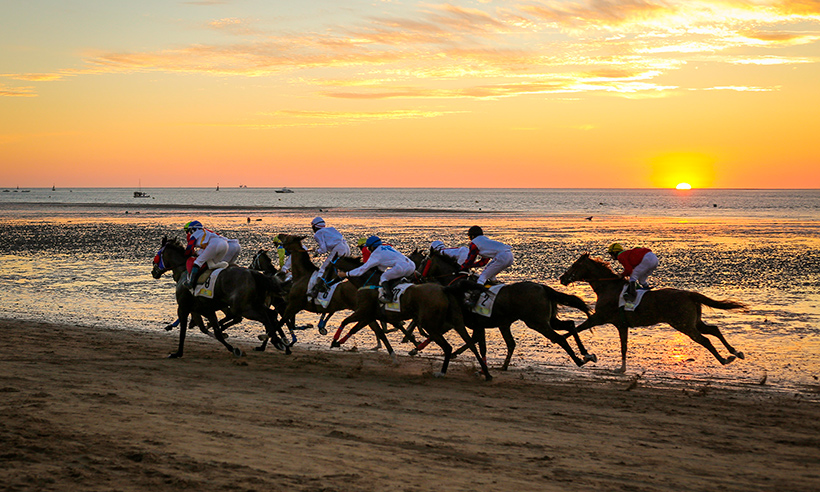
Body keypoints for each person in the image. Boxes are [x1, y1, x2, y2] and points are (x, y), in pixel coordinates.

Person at [338, 235, 415, 303]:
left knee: (384, 277)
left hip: (401, 268)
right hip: (412, 265)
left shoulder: (376, 254)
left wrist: (346, 274)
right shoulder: (387, 247)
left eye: (368, 248)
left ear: (372, 247)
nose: (368, 249)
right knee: (390, 274)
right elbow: (383, 267)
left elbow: (362, 269)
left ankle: (389, 297)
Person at [460, 226, 514, 306]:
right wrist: (471, 266)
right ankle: (496, 287)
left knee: (483, 277)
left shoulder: (474, 244)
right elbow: (483, 262)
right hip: (509, 256)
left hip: (502, 256)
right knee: (491, 275)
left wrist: (461, 267)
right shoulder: (485, 241)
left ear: (472, 236)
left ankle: (474, 299)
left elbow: (470, 260)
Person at [182, 220, 241, 289]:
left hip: (215, 244)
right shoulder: (207, 231)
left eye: (189, 231)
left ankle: (190, 283)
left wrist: (186, 255)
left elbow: (189, 248)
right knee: (213, 263)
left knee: (197, 262)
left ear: (193, 229)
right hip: (226, 244)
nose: (188, 233)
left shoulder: (194, 234)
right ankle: (224, 266)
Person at [307, 217, 351, 298]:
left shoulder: (318, 234)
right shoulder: (331, 229)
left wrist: (316, 251)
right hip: (347, 247)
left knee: (324, 269)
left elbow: (323, 249)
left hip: (338, 249)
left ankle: (316, 289)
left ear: (315, 227)